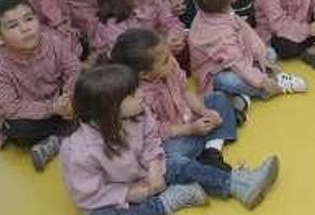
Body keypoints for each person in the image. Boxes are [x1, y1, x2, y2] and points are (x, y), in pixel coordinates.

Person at [109, 29, 280, 210]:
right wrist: (190, 129)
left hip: (189, 121)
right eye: (165, 60)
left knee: (218, 99)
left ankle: (211, 151)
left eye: (169, 54)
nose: (172, 60)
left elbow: (185, 91)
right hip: (174, 139)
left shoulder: (171, 66)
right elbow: (156, 133)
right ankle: (218, 162)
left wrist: (204, 111)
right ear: (145, 74)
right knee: (170, 160)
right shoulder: (136, 97)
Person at [60, 64, 210, 215]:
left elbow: (151, 139)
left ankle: (229, 181)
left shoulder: (139, 113)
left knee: (178, 162)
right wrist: (127, 193)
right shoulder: (77, 150)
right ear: (110, 107)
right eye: (133, 93)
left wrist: (154, 167)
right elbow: (86, 194)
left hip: (144, 175)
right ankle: (166, 202)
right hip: (113, 197)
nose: (141, 94)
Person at [0, 0, 81, 171]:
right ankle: (66, 134)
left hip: (60, 99)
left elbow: (73, 69)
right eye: (13, 26)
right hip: (28, 111)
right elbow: (11, 107)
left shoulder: (53, 40)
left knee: (90, 88)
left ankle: (61, 134)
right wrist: (53, 108)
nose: (25, 28)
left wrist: (68, 97)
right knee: (20, 131)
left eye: (28, 19)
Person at [189, 0, 308, 99]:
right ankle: (270, 88)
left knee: (269, 54)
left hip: (234, 54)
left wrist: (260, 54)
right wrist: (262, 82)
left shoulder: (219, 10)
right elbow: (236, 64)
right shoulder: (219, 35)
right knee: (229, 80)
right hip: (216, 71)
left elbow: (246, 30)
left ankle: (245, 91)